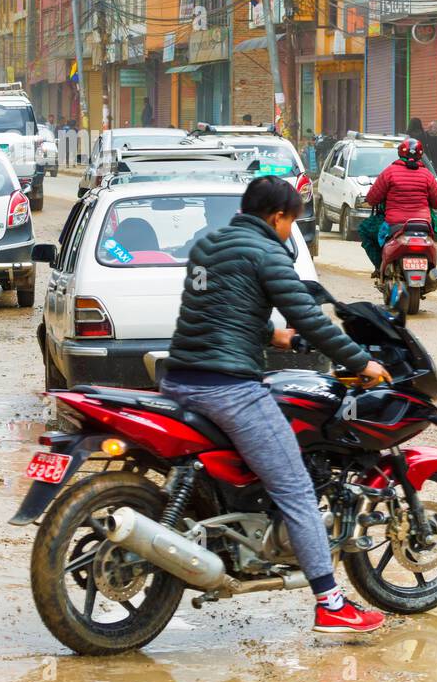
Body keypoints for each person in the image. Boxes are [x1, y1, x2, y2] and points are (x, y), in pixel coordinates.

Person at [160, 176, 393, 633]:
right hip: (227, 387)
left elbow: (216, 306)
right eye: (293, 223)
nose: (292, 232)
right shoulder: (267, 250)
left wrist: (271, 335)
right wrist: (362, 362)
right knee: (296, 490)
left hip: (180, 377)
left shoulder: (208, 243)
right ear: (277, 216)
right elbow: (310, 318)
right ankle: (330, 603)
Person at [362, 137, 437, 269]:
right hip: (423, 225)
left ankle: (380, 266)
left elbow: (372, 200)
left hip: (395, 225)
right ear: (420, 155)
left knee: (365, 230)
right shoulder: (427, 175)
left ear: (400, 153)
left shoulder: (389, 172)